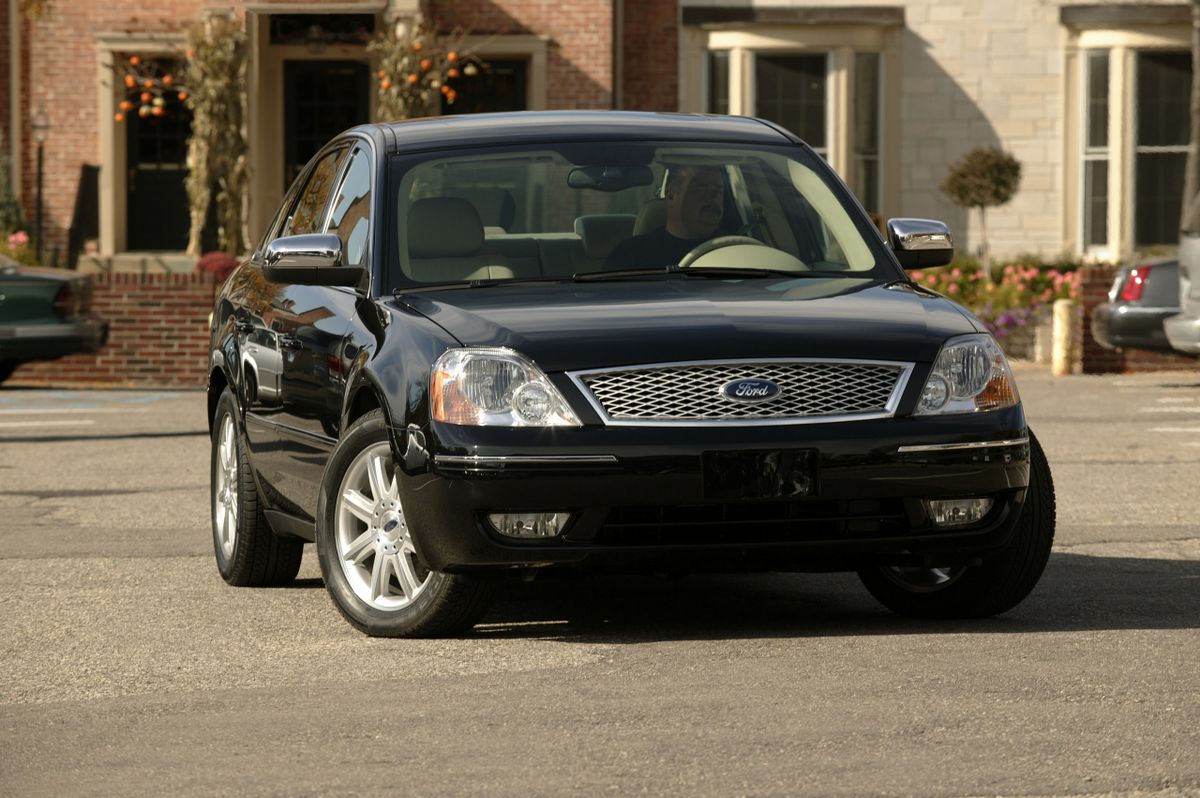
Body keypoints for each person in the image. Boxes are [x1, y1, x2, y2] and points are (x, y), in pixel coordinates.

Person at [604, 164, 727, 269]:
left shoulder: (734, 249)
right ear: (671, 196)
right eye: (701, 189)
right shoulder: (631, 255)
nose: (713, 196)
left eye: (719, 190)